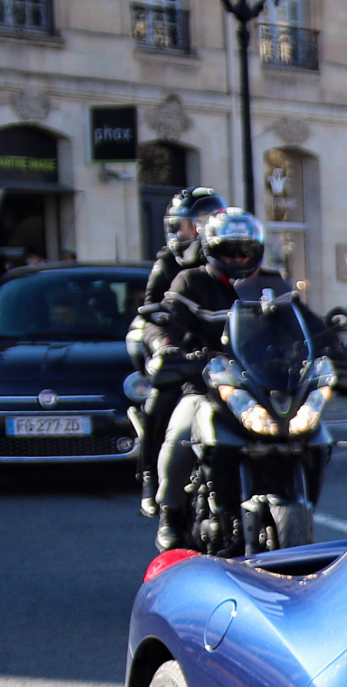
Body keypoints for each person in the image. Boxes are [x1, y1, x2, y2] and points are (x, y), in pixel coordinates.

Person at [151, 209, 286, 550]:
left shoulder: (272, 282)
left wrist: (326, 345)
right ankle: (170, 512)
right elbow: (166, 320)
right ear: (211, 249)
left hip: (261, 384)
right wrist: (165, 347)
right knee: (180, 436)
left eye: (245, 250)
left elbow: (300, 323)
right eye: (230, 250)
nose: (239, 258)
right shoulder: (191, 281)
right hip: (204, 384)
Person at [133, 186, 228, 514]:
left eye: (187, 225)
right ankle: (149, 476)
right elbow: (154, 312)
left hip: (225, 351)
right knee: (161, 399)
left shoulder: (224, 259)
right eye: (177, 226)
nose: (180, 233)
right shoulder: (166, 265)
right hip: (182, 349)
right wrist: (167, 346)